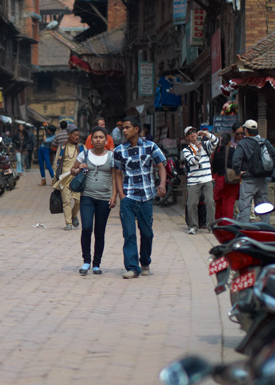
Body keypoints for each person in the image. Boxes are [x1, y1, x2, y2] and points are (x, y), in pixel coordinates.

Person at [111, 117, 167, 279]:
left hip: (146, 197)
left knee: (147, 233)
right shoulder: (119, 150)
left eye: (127, 127)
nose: (124, 130)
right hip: (128, 198)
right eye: (123, 128)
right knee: (129, 233)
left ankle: (145, 262)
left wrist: (162, 184)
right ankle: (132, 267)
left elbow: (161, 166)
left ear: (136, 129)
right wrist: (121, 195)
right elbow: (117, 173)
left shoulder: (150, 147)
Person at [69, 126, 114, 275]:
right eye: (95, 137)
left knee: (99, 232)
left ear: (106, 140)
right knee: (87, 228)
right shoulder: (85, 154)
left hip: (104, 198)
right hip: (87, 197)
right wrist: (79, 168)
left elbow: (116, 177)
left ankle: (96, 264)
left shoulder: (111, 156)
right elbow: (72, 171)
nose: (98, 140)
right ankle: (86, 261)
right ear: (91, 139)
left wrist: (114, 196)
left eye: (101, 137)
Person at [232, 120, 275, 221]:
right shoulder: (264, 141)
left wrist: (238, 172)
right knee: (263, 207)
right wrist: (268, 170)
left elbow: (236, 160)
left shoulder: (243, 143)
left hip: (248, 179)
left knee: (245, 207)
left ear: (246, 130)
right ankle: (267, 230)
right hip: (262, 180)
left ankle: (244, 231)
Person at [180, 126, 215, 234]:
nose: (193, 134)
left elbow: (215, 142)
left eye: (194, 132)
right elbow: (192, 162)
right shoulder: (186, 150)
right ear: (187, 137)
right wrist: (199, 151)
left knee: (210, 202)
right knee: (192, 204)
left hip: (207, 178)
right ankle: (193, 226)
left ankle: (211, 226)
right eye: (189, 133)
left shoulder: (205, 145)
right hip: (193, 181)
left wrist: (206, 134)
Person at [53, 125, 83, 229]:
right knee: (66, 201)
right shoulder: (62, 148)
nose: (77, 137)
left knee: (78, 201)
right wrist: (55, 178)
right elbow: (56, 164)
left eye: (78, 135)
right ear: (69, 135)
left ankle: (74, 216)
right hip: (64, 178)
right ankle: (68, 223)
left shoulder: (81, 148)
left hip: (78, 178)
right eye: (75, 135)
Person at [214, 130, 243, 220]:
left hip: (218, 179)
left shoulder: (216, 151)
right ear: (229, 142)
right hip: (229, 179)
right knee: (228, 203)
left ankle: (218, 222)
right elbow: (237, 164)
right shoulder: (232, 150)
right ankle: (227, 223)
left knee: (219, 202)